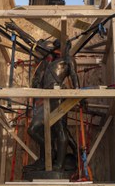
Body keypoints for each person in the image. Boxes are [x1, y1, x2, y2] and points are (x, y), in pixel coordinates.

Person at [24, 40, 79, 172]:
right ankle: (51, 152)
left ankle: (59, 164)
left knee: (60, 130)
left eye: (59, 46)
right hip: (44, 99)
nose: (56, 49)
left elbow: (74, 76)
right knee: (33, 129)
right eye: (56, 46)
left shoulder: (68, 59)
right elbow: (36, 46)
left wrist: (78, 93)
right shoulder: (49, 61)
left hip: (58, 97)